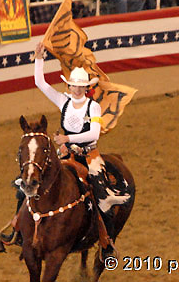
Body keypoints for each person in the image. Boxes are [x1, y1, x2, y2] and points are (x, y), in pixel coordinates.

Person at [32, 42, 132, 258]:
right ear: (68, 86)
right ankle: (19, 226)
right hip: (66, 154)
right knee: (33, 179)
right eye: (73, 85)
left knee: (101, 192)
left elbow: (93, 134)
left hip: (88, 155)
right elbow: (40, 83)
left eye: (80, 86)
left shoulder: (93, 107)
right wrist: (39, 59)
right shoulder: (62, 101)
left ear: (86, 88)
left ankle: (106, 241)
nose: (76, 89)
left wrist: (67, 137)